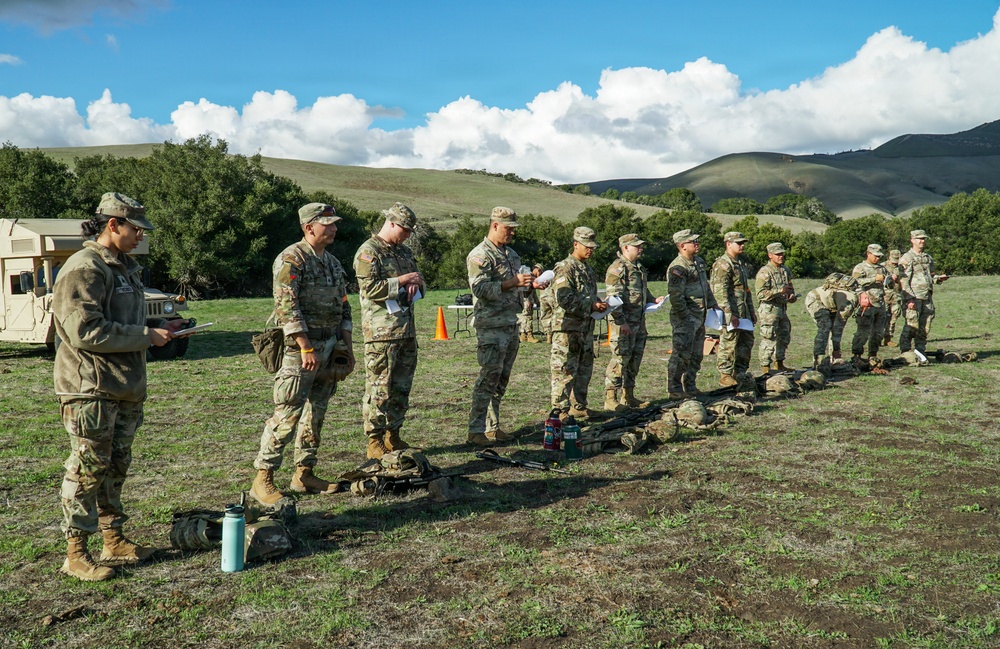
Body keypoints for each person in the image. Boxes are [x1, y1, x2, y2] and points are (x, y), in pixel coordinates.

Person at [52, 192, 187, 581]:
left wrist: (161, 327)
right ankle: (76, 554)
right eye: (136, 229)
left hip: (124, 386)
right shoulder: (85, 268)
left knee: (115, 467)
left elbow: (123, 319)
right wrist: (146, 336)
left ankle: (113, 541)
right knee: (87, 469)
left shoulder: (124, 268)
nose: (141, 236)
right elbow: (84, 331)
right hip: (91, 388)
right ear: (113, 224)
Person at [250, 203, 354, 506]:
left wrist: (347, 346)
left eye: (334, 223)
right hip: (300, 351)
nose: (334, 228)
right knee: (287, 412)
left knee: (315, 413)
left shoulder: (332, 263)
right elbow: (286, 307)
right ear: (309, 227)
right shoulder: (291, 258)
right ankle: (263, 478)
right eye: (328, 224)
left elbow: (344, 306)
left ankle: (304, 473)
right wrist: (305, 346)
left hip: (329, 347)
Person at [466, 207, 548, 445]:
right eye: (508, 228)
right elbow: (479, 289)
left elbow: (518, 288)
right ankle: (475, 430)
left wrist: (531, 285)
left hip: (511, 323)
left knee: (502, 379)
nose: (512, 233)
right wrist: (512, 282)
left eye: (513, 229)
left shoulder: (511, 254)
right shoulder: (480, 255)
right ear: (494, 226)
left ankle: (493, 427)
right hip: (491, 325)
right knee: (488, 378)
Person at [354, 202, 425, 459]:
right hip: (381, 334)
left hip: (406, 330)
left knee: (401, 388)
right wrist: (403, 280)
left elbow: (420, 280)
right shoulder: (369, 251)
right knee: (379, 388)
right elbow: (370, 288)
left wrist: (417, 284)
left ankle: (393, 434)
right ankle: (374, 440)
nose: (406, 235)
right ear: (391, 223)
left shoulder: (404, 252)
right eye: (404, 230)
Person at [550, 226, 607, 419]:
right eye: (586, 246)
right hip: (568, 330)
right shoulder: (566, 267)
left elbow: (587, 295)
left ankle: (579, 406)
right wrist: (591, 305)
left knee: (584, 370)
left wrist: (598, 304)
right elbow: (564, 299)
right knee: (565, 371)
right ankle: (560, 411)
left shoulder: (587, 269)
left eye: (592, 246)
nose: (590, 250)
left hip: (585, 328)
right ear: (576, 244)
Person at [603, 233, 663, 410]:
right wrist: (622, 322)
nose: (641, 249)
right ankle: (610, 398)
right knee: (620, 359)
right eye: (637, 246)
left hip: (638, 321)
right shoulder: (618, 269)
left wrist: (653, 299)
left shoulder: (638, 267)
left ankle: (628, 396)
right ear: (626, 248)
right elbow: (613, 298)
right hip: (623, 324)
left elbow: (641, 290)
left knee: (635, 359)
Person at [666, 229, 718, 399]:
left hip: (700, 316)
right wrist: (686, 317)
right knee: (681, 354)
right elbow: (676, 297)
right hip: (686, 318)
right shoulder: (678, 267)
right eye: (692, 242)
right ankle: (675, 389)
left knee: (696, 354)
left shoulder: (698, 262)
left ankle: (690, 386)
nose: (697, 244)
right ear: (682, 246)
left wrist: (713, 304)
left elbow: (705, 286)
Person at [710, 231, 757, 387]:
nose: (742, 246)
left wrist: (751, 311)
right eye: (739, 243)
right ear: (728, 244)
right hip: (731, 312)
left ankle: (740, 373)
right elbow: (719, 291)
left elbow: (746, 290)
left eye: (743, 243)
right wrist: (728, 314)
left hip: (743, 312)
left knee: (746, 342)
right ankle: (725, 375)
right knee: (729, 342)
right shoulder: (723, 264)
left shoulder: (740, 264)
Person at [897, 229, 948, 354]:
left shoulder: (927, 258)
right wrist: (909, 298)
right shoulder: (907, 258)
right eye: (919, 239)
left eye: (924, 239)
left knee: (925, 326)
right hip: (914, 297)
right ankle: (906, 352)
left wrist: (938, 279)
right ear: (912, 240)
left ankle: (920, 351)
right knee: (911, 326)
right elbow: (903, 280)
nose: (922, 241)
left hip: (926, 296)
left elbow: (930, 275)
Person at [755, 242, 797, 374]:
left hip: (782, 308)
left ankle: (779, 363)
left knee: (784, 335)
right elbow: (760, 294)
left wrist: (791, 296)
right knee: (769, 338)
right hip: (769, 310)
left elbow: (790, 287)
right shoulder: (765, 272)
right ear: (770, 255)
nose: (781, 256)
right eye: (777, 254)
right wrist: (779, 291)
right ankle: (765, 368)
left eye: (782, 254)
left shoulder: (785, 270)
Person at [805, 273, 859, 367]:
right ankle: (819, 360)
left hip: (831, 303)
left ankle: (832, 360)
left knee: (831, 327)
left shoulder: (852, 297)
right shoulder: (848, 304)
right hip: (815, 299)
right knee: (825, 327)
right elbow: (838, 329)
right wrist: (837, 351)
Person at [850, 244, 889, 363]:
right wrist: (874, 279)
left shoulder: (882, 268)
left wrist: (890, 280)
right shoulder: (860, 268)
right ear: (868, 254)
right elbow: (854, 283)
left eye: (879, 256)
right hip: (866, 305)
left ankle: (873, 355)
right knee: (863, 332)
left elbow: (887, 284)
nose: (878, 258)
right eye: (876, 256)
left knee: (878, 333)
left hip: (880, 304)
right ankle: (857, 356)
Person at [516, 264, 542, 343]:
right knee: (527, 317)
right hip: (526, 300)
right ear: (537, 270)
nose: (540, 275)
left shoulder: (532, 278)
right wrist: (526, 301)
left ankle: (523, 335)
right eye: (540, 272)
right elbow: (524, 290)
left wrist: (537, 302)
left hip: (529, 300)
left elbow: (534, 292)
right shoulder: (528, 276)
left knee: (525, 317)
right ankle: (529, 335)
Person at [883, 249, 902, 346]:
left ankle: (888, 338)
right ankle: (878, 338)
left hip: (896, 296)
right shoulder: (882, 267)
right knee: (883, 317)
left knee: (894, 317)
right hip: (884, 296)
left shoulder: (901, 267)